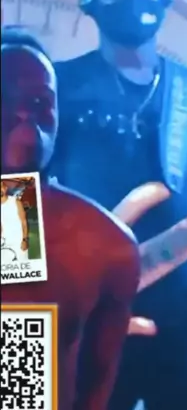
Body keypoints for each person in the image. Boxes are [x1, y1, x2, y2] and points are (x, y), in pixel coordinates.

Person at [47, 0, 187, 410]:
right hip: (84, 314)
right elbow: (15, 187)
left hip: (181, 325)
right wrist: (22, 297)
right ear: (90, 2)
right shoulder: (50, 86)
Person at [0, 26, 140, 409]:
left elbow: (25, 391)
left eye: (39, 100)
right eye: (4, 98)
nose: (23, 112)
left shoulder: (108, 245)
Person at [0, 179, 29, 264]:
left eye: (1, 187)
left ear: (5, 188)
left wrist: (25, 240)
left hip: (19, 242)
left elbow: (24, 222)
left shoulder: (15, 202)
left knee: (22, 267)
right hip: (4, 243)